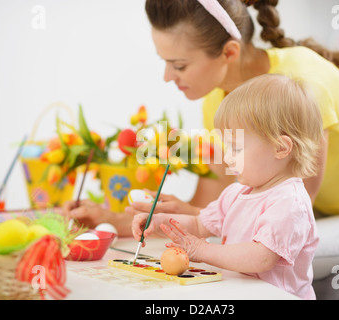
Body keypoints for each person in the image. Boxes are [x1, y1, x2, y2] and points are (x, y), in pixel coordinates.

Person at [62, 0, 339, 235]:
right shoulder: (219, 101)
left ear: (229, 52)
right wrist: (115, 220)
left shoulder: (300, 84)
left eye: (178, 65)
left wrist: (201, 221)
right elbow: (209, 202)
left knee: (268, 252)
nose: (167, 77)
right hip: (323, 211)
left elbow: (291, 216)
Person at [132, 74, 323, 300]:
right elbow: (198, 224)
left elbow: (261, 257)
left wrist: (203, 251)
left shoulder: (289, 202)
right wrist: (160, 222)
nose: (229, 158)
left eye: (237, 148)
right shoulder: (236, 193)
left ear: (280, 148)